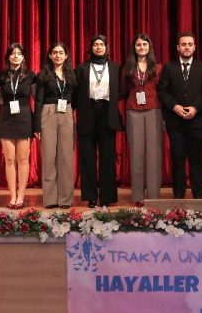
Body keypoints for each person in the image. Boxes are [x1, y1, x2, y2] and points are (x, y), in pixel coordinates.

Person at [158, 32, 202, 199]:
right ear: (178, 47)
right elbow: (162, 91)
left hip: (196, 121)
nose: (187, 47)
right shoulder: (169, 67)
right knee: (178, 159)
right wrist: (174, 106)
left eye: (190, 44)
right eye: (184, 44)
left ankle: (198, 194)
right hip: (175, 122)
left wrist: (195, 108)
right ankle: (178, 194)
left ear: (194, 47)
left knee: (196, 159)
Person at [75, 35, 123, 208]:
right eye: (95, 44)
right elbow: (76, 92)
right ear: (91, 48)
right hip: (87, 112)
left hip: (107, 112)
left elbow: (121, 90)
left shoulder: (115, 67)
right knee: (87, 156)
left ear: (106, 47)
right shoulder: (82, 68)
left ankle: (107, 196)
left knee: (108, 156)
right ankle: (91, 196)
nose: (98, 47)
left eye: (101, 44)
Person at [33, 41, 77, 209]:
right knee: (49, 157)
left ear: (66, 56)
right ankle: (50, 199)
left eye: (61, 52)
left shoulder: (71, 74)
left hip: (66, 112)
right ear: (50, 56)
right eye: (55, 53)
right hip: (48, 112)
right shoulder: (43, 75)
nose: (58, 55)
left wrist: (70, 111)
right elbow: (38, 101)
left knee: (66, 157)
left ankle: (65, 199)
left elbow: (76, 97)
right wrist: (37, 126)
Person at [122, 33, 163, 206]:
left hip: (154, 110)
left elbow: (163, 90)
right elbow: (123, 90)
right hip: (133, 111)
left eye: (144, 45)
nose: (141, 47)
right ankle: (138, 196)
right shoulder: (128, 68)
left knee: (154, 154)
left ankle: (153, 196)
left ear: (149, 47)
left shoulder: (158, 67)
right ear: (134, 47)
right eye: (138, 45)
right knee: (136, 154)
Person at [0, 42, 35, 209]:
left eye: (19, 53)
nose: (16, 56)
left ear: (23, 57)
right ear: (8, 57)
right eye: (13, 53)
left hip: (25, 118)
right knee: (10, 159)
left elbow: (36, 98)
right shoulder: (1, 75)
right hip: (6, 118)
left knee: (23, 159)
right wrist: (8, 103)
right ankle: (12, 195)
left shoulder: (30, 75)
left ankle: (21, 196)